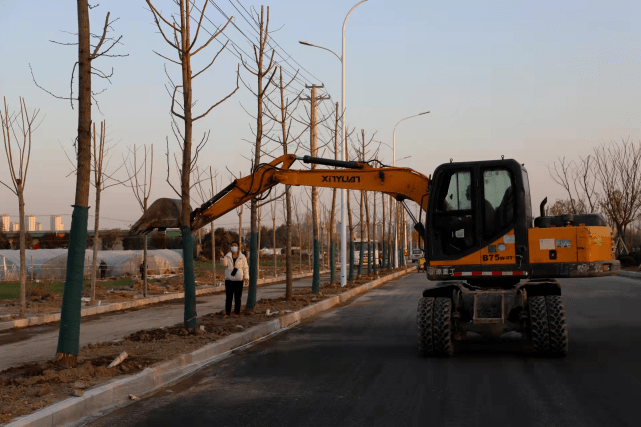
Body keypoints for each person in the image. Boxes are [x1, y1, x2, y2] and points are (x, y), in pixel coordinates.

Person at [219, 241, 249, 318]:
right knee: (228, 298)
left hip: (239, 280)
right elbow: (224, 264)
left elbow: (245, 268)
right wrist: (222, 257)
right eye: (232, 245)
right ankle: (227, 313)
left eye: (235, 245)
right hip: (229, 280)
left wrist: (246, 278)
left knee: (237, 298)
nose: (234, 247)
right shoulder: (227, 256)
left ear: (238, 247)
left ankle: (237, 312)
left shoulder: (242, 257)